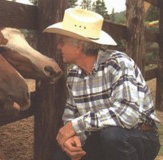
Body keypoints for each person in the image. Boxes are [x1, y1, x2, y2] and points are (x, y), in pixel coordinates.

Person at [43, 8, 160, 160]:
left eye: (62, 42)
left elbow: (128, 114)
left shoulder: (118, 64)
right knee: (61, 158)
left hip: (139, 136)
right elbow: (71, 115)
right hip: (102, 138)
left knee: (113, 136)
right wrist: (73, 138)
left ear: (78, 46)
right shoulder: (73, 76)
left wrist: (76, 126)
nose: (59, 47)